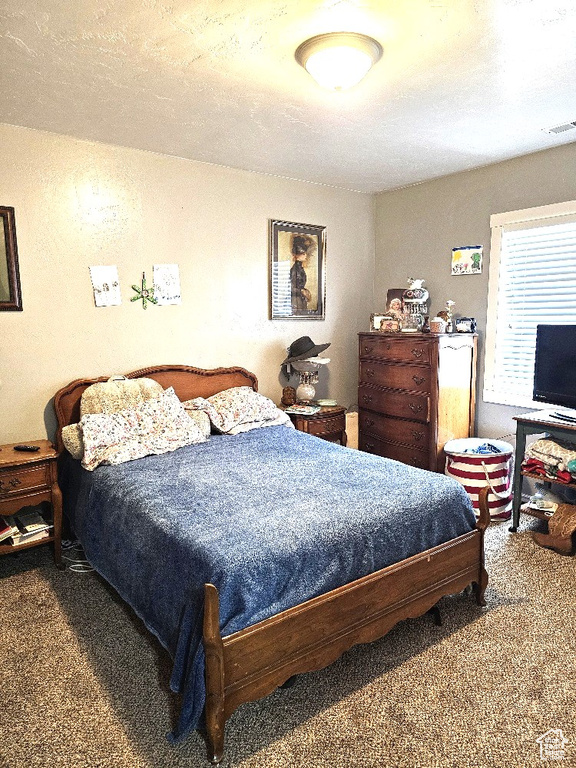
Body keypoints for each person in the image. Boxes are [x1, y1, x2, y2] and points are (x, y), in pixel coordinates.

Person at [290, 235, 314, 313]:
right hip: (295, 301)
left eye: (305, 253)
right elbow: (291, 287)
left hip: (301, 300)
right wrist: (302, 291)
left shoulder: (300, 269)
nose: (306, 256)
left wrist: (305, 291)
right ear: (297, 255)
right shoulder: (295, 269)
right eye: (303, 254)